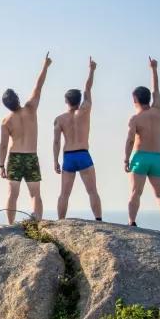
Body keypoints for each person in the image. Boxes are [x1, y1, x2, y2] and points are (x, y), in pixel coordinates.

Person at [0, 52, 51, 224]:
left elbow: (3, 146)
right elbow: (39, 85)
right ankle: (36, 224)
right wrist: (45, 65)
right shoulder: (30, 108)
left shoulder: (6, 120)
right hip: (30, 156)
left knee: (12, 194)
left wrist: (1, 165)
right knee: (35, 194)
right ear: (17, 98)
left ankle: (10, 226)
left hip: (14, 157)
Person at [125, 57, 160, 230]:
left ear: (134, 100)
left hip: (140, 157)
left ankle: (131, 222)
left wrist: (126, 159)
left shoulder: (135, 119)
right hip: (157, 158)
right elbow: (156, 90)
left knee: (135, 192)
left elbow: (130, 139)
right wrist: (154, 69)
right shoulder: (158, 111)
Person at [53, 56, 103, 220]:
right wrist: (92, 70)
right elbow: (88, 89)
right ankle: (99, 220)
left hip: (68, 156)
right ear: (79, 100)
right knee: (92, 191)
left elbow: (56, 142)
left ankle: (60, 221)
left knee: (64, 194)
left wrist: (55, 161)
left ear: (66, 101)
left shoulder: (60, 119)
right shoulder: (85, 110)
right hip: (83, 154)